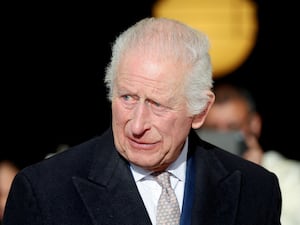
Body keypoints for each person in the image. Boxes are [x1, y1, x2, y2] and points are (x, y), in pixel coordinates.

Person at [3, 17, 282, 225]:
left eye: (157, 105)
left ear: (199, 111)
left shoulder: (254, 189)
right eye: (127, 98)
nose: (137, 126)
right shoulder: (44, 190)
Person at [199, 82, 300, 225]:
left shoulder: (292, 178)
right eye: (212, 129)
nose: (222, 137)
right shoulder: (191, 177)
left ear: (254, 124)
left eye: (233, 127)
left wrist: (253, 178)